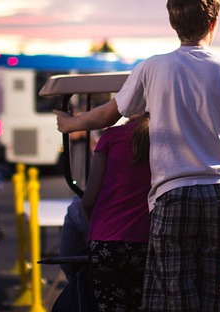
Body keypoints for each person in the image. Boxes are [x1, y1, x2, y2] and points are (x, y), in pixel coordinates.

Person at [56, 0, 220, 312]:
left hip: (173, 197)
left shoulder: (152, 67)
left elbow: (108, 115)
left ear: (173, 22)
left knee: (175, 302)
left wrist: (72, 122)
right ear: (214, 23)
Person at [81, 114, 151, 312]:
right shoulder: (166, 137)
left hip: (106, 241)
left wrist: (96, 226)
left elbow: (88, 200)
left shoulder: (111, 136)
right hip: (149, 241)